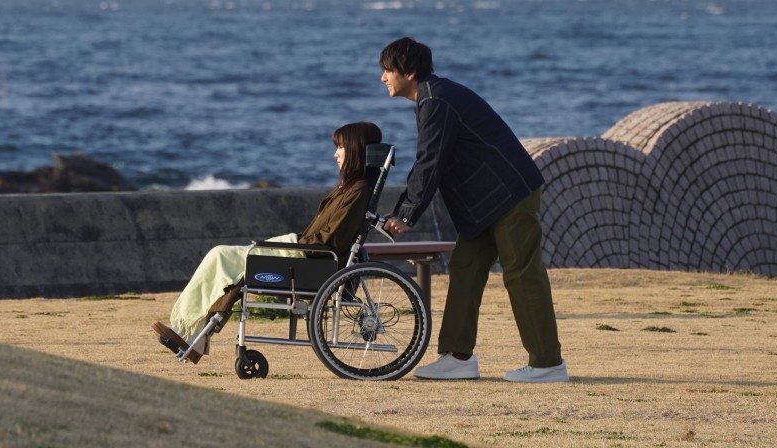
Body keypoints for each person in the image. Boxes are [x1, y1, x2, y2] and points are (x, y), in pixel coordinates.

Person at [378, 37, 568, 383]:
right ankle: (458, 357)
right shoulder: (433, 97)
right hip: (486, 203)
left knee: (521, 274)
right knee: (465, 267)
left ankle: (547, 364)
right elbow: (433, 162)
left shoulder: (435, 100)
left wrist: (405, 214)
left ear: (408, 72)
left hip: (509, 195)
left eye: (388, 70)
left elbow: (429, 162)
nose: (383, 78)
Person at [153, 121, 383, 365]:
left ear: (357, 150)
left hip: (308, 259)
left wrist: (296, 243)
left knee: (221, 257)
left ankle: (188, 333)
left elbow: (328, 241)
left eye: (341, 148)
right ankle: (189, 335)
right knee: (224, 261)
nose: (335, 153)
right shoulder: (351, 189)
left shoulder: (356, 191)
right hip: (305, 253)